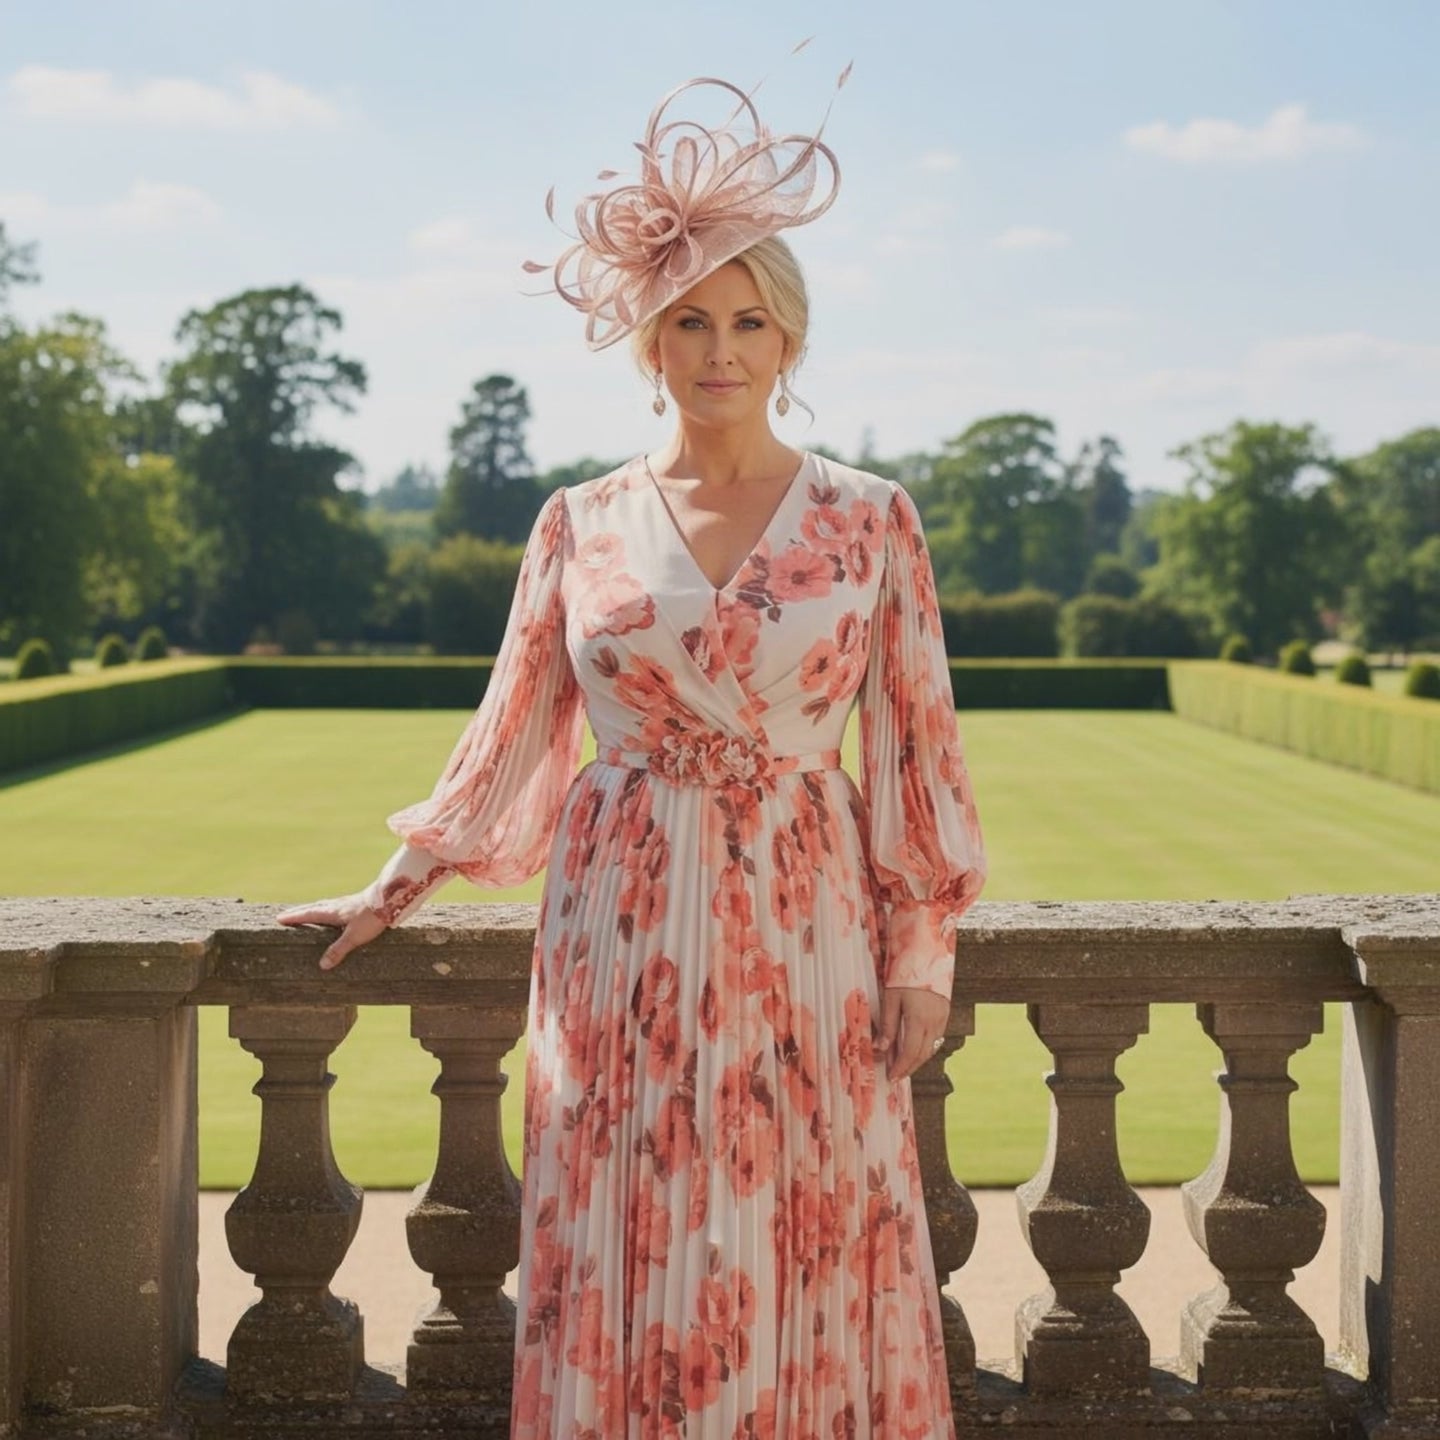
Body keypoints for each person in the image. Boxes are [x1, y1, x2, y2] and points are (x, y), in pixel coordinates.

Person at [279, 66, 986, 1440]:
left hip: (810, 915)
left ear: (789, 341)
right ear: (647, 341)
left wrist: (923, 953)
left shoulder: (870, 519)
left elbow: (918, 746)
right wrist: (395, 887)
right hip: (620, 920)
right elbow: (510, 729)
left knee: (816, 1212)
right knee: (623, 1208)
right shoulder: (578, 524)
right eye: (688, 321)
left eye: (748, 320)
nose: (719, 348)